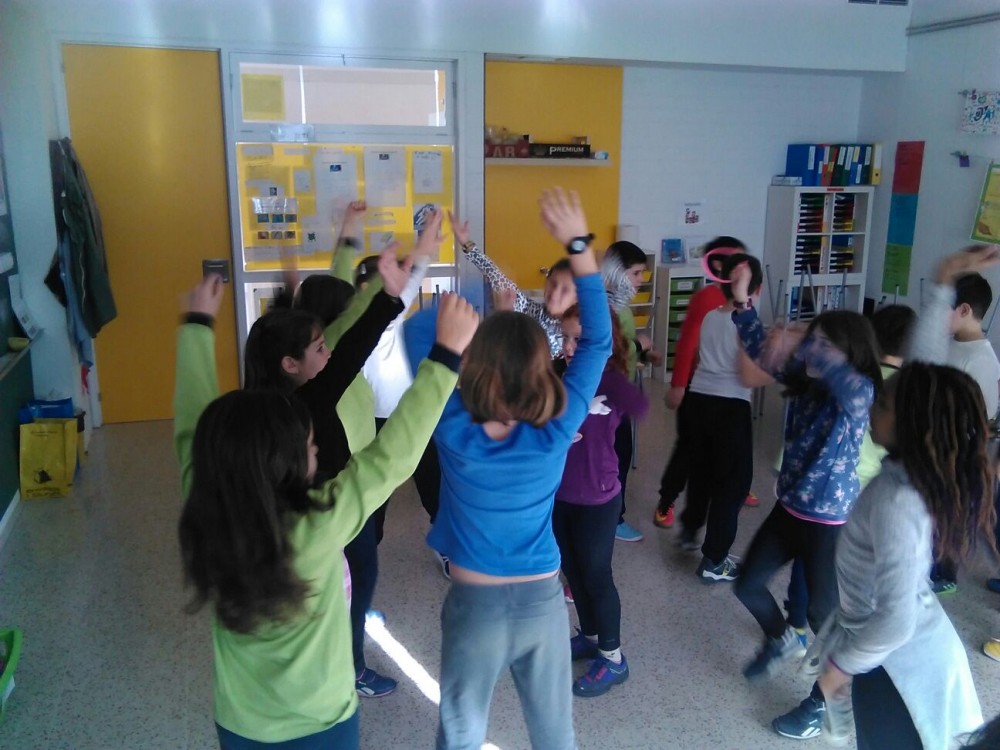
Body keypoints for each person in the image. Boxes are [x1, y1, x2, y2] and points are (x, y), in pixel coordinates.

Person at [175, 274, 478, 749]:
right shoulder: (316, 523)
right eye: (310, 445)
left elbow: (191, 425)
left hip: (239, 722)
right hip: (322, 724)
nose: (315, 450)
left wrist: (197, 326)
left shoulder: (207, 496)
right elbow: (391, 457)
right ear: (286, 462)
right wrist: (445, 359)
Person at [427, 188, 611, 749]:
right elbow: (598, 343)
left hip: (475, 605)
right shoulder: (555, 428)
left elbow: (415, 339)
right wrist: (579, 248)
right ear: (542, 368)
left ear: (474, 363)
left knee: (460, 735)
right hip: (541, 603)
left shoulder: (450, 422)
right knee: (555, 737)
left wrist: (426, 262)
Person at [727, 261, 882, 741]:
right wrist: (743, 302)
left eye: (826, 344)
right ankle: (781, 640)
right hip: (790, 510)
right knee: (747, 585)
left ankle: (824, 703)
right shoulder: (807, 379)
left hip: (830, 524)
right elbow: (762, 348)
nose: (814, 350)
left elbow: (847, 381)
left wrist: (804, 339)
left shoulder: (858, 393)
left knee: (824, 619)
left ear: (849, 353)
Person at [809, 362, 992, 749]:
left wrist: (840, 666)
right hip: (885, 653)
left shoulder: (897, 500)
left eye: (884, 403)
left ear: (913, 422)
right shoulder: (900, 480)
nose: (872, 407)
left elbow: (895, 623)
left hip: (897, 666)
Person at [783, 304, 917, 653]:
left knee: (812, 562)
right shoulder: (884, 384)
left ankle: (799, 625)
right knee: (833, 567)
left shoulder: (856, 381)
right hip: (851, 492)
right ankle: (819, 631)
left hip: (835, 490)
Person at [553, 301, 649, 697]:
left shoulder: (610, 381)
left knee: (596, 575)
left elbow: (639, 407)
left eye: (579, 339)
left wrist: (608, 385)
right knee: (573, 571)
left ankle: (613, 658)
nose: (569, 347)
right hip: (561, 494)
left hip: (598, 497)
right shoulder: (557, 376)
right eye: (565, 338)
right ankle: (591, 636)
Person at [674, 252, 770, 583]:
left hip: (698, 400)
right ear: (756, 288)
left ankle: (689, 531)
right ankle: (715, 559)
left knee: (701, 474)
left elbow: (700, 357)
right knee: (732, 486)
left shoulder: (710, 317)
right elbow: (751, 373)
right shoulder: (747, 321)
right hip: (730, 407)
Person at [909, 257, 1000, 595]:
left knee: (947, 516)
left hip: (956, 453)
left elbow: (980, 419)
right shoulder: (950, 344)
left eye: (943, 308)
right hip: (932, 444)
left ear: (964, 310)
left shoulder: (983, 360)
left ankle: (944, 574)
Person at [654, 236, 748, 529]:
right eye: (738, 261)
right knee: (689, 447)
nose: (745, 267)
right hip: (700, 389)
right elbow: (687, 342)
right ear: (718, 265)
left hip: (732, 391)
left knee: (730, 446)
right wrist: (679, 385)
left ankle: (736, 486)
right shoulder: (707, 298)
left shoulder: (744, 298)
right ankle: (667, 499)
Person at [451, 211, 576, 357]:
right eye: (553, 283)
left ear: (578, 297)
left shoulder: (581, 331)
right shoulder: (529, 311)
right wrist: (467, 245)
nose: (554, 293)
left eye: (565, 289)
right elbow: (496, 276)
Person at [602, 240, 662, 542]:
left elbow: (625, 346)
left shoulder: (620, 306)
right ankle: (613, 518)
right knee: (616, 458)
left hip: (620, 394)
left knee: (620, 456)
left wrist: (644, 353)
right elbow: (608, 350)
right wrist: (639, 344)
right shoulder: (605, 307)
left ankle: (613, 513)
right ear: (616, 272)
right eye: (636, 273)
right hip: (609, 398)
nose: (640, 280)